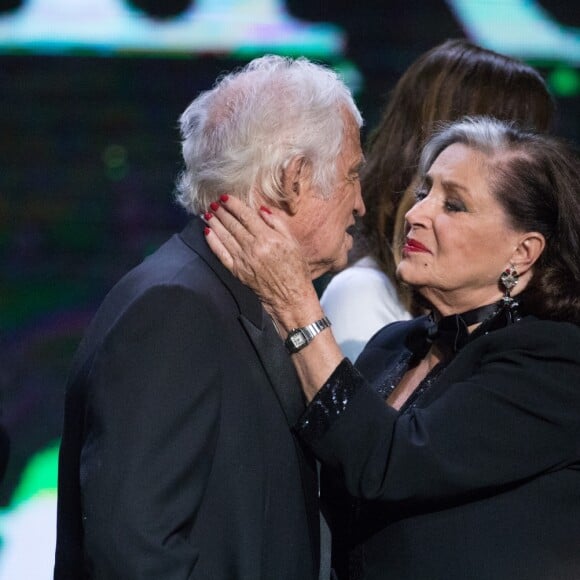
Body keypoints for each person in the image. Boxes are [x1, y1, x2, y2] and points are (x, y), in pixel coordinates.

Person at [205, 116, 580, 580]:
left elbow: (390, 464)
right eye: (425, 192)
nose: (416, 214)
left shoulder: (556, 362)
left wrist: (297, 304)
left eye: (455, 205)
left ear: (522, 252)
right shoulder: (395, 345)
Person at [54, 54, 365, 579]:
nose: (360, 203)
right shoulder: (175, 310)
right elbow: (136, 552)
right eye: (352, 175)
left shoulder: (237, 298)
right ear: (293, 179)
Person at [320, 39, 555, 362]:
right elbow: (359, 414)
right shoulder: (363, 296)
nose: (538, 166)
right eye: (520, 135)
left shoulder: (544, 341)